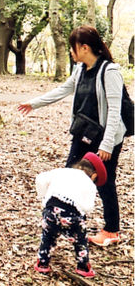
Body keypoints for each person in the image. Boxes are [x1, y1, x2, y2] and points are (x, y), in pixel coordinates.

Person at [18, 25, 127, 246]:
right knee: (69, 176)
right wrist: (34, 103)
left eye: (73, 47)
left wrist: (106, 144)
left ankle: (112, 230)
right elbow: (63, 90)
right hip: (83, 133)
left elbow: (114, 110)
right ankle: (65, 221)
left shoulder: (110, 71)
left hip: (105, 139)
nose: (71, 51)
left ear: (84, 47)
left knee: (105, 183)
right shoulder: (79, 70)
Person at [34, 152, 107, 278]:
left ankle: (43, 263)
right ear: (94, 175)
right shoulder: (89, 184)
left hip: (51, 210)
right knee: (80, 241)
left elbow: (40, 179)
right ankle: (83, 267)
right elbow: (88, 206)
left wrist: (43, 196)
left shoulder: (61, 171)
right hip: (72, 215)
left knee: (48, 236)